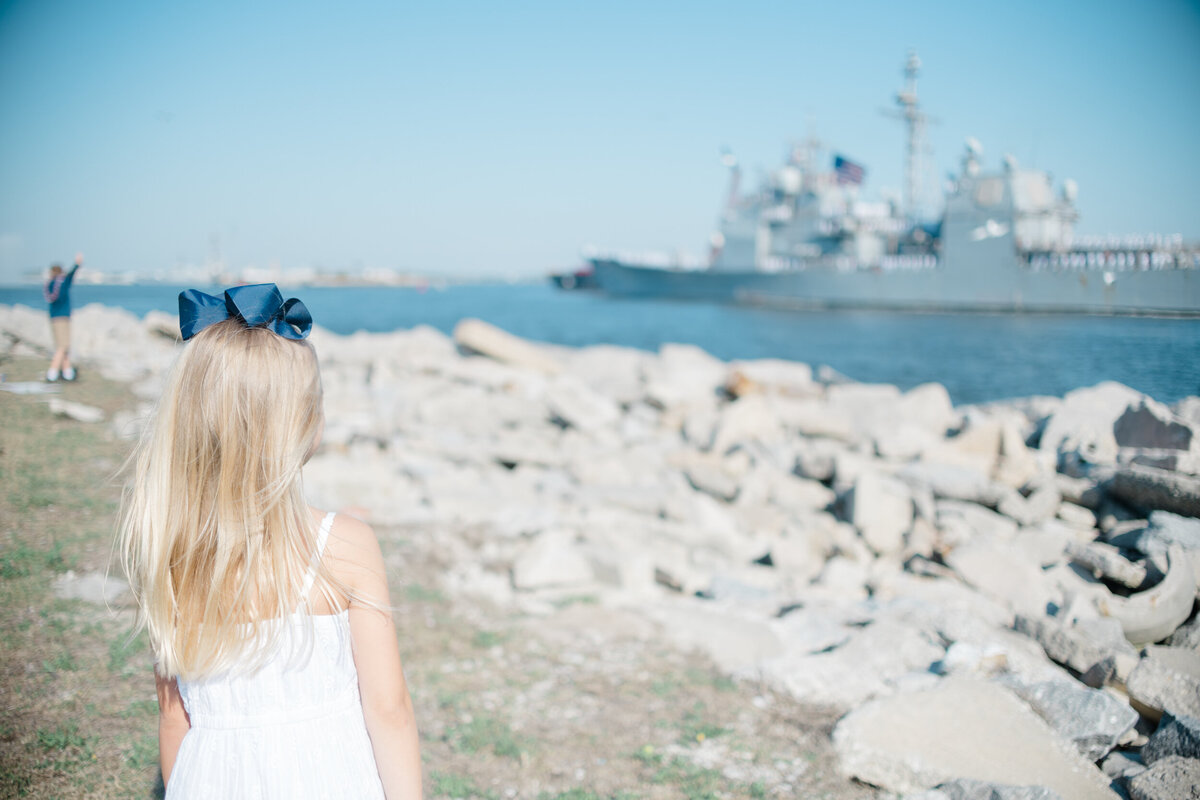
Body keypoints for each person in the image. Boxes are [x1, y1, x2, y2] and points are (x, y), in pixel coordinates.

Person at [118, 284, 422, 799]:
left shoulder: (169, 551)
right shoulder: (344, 543)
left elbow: (175, 722)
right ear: (301, 426)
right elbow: (388, 709)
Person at [43, 252, 83, 381]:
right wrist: (77, 264)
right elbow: (71, 275)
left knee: (62, 346)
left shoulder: (49, 284)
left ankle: (68, 373)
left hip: (53, 318)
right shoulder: (62, 282)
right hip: (63, 318)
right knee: (63, 346)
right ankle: (52, 373)